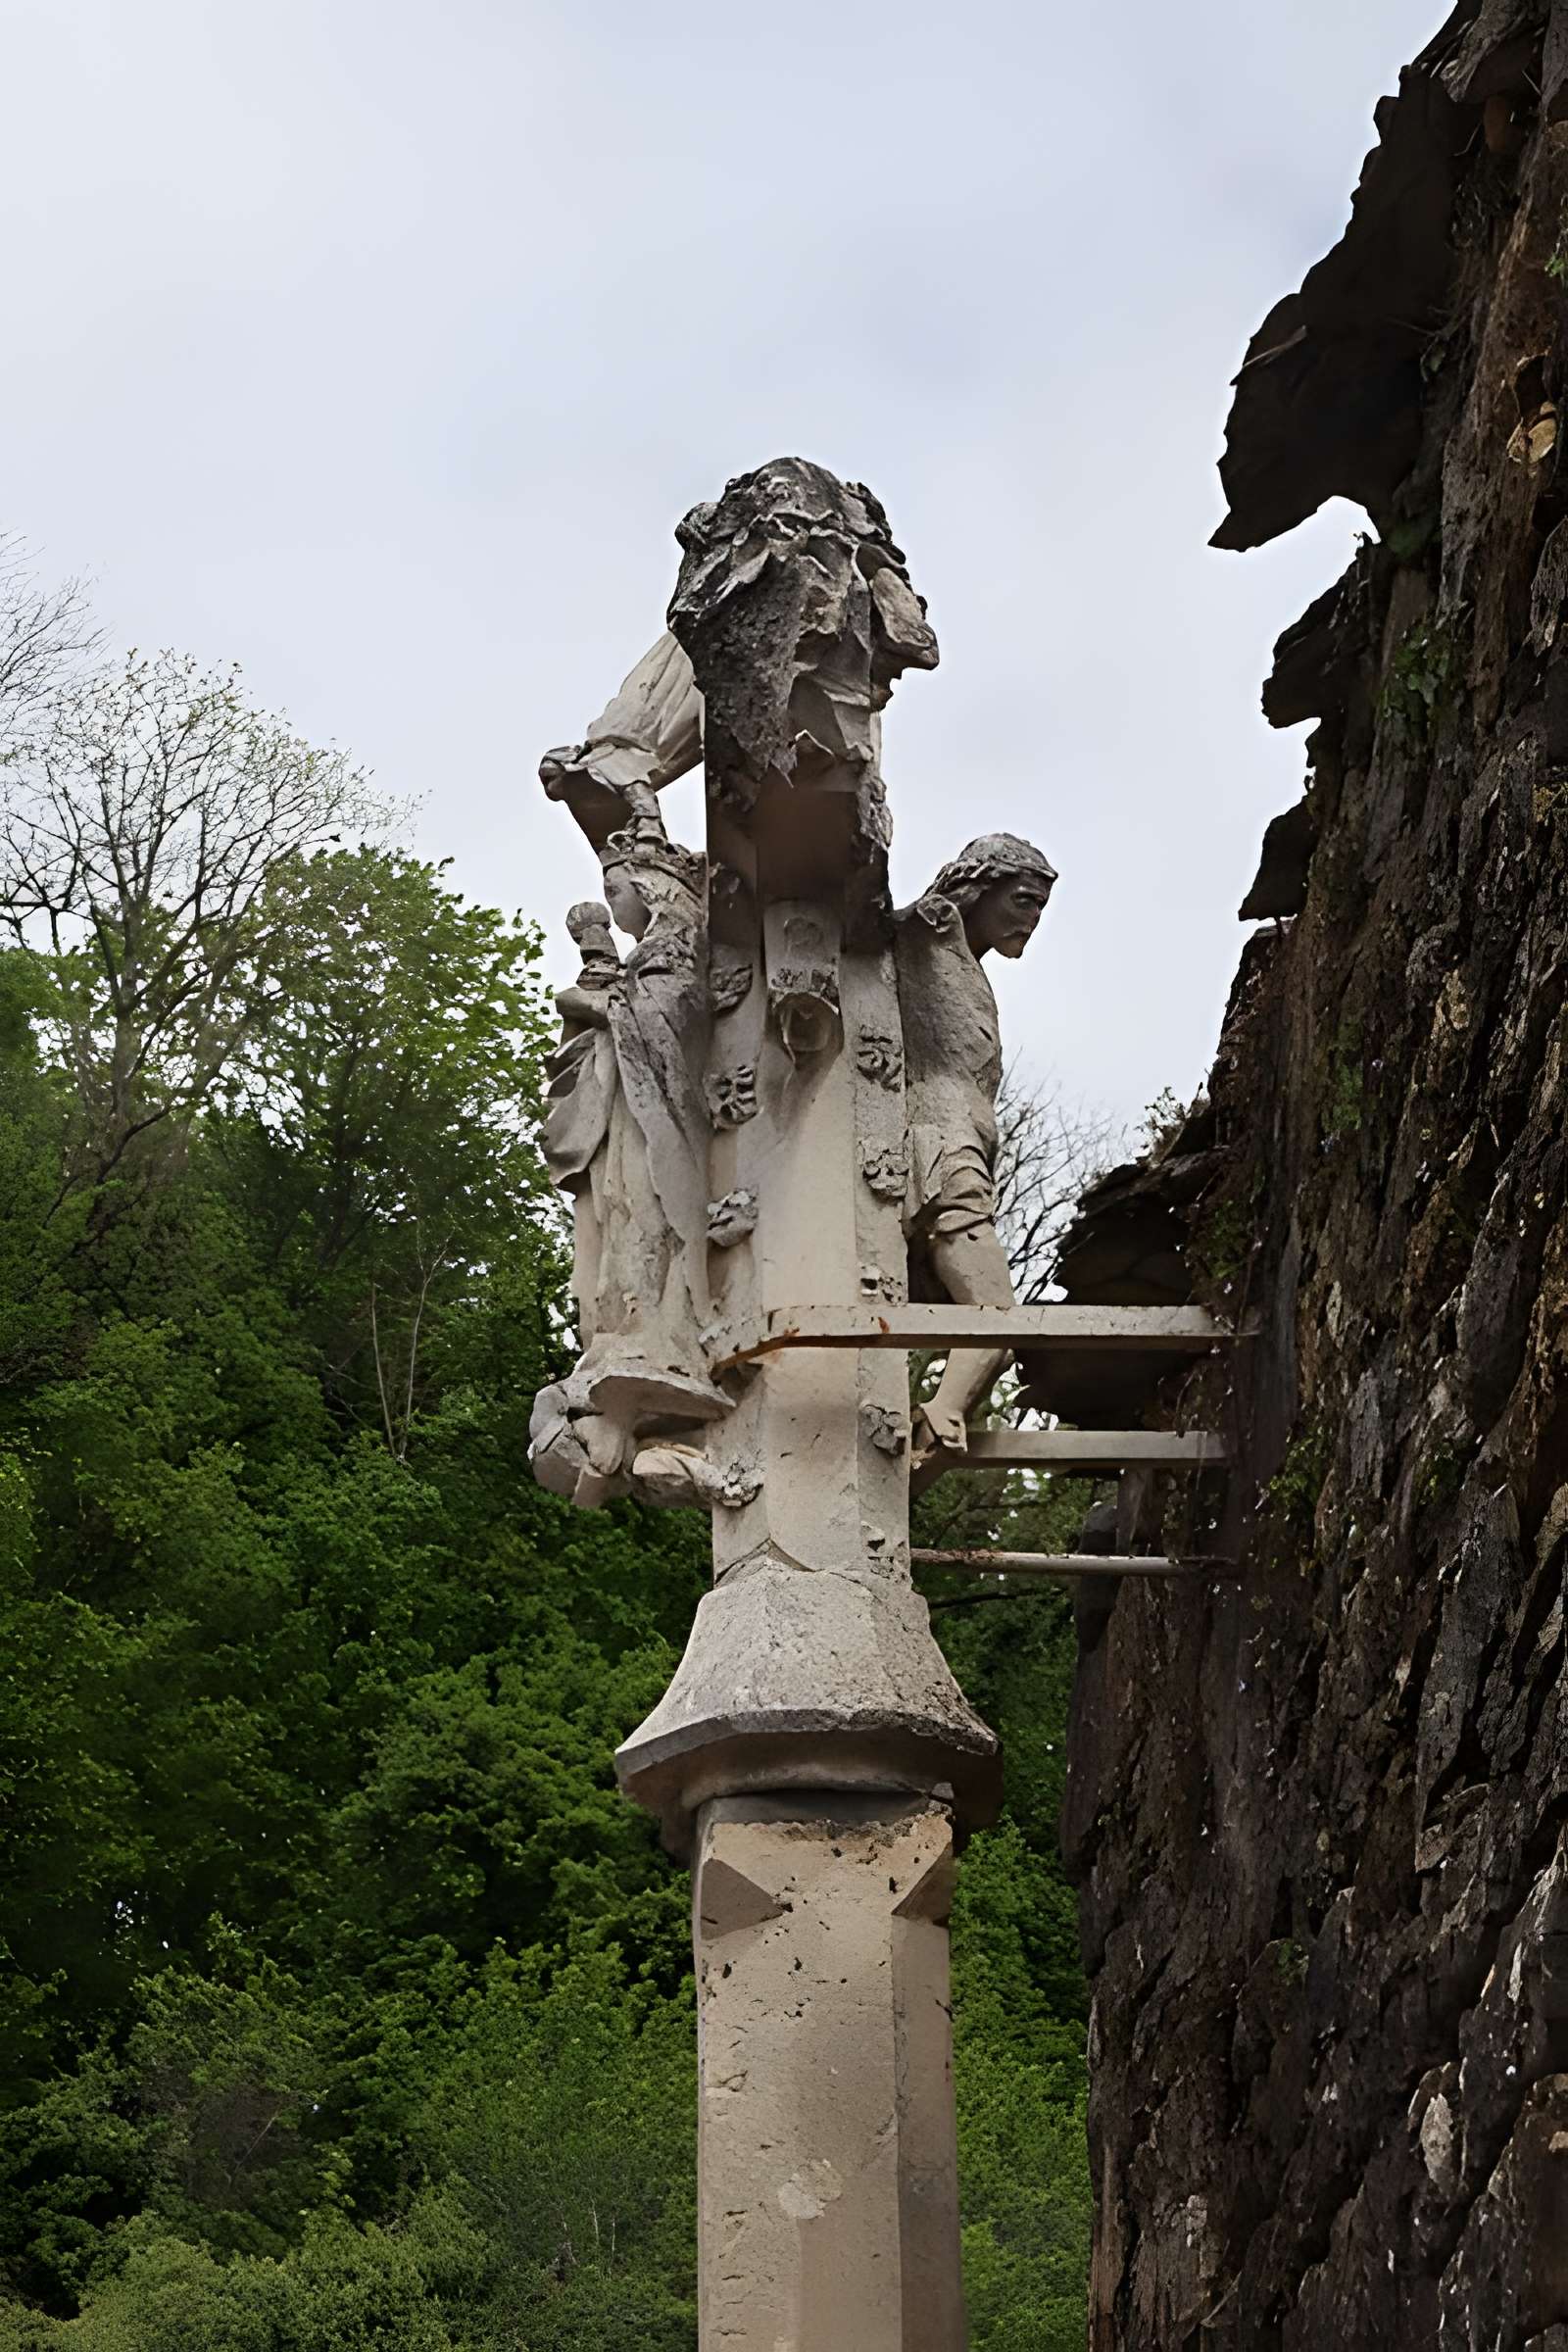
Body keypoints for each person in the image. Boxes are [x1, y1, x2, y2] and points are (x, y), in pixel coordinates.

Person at [895, 832, 1057, 1463]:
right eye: (1022, 900)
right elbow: (877, 926)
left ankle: (940, 1413)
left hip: (958, 1140)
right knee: (993, 1312)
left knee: (987, 1315)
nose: (1032, 920)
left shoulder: (962, 956)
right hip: (939, 1145)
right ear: (977, 888)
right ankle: (942, 1414)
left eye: (1040, 907)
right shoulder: (934, 927)